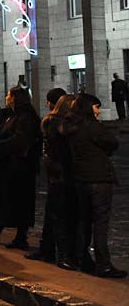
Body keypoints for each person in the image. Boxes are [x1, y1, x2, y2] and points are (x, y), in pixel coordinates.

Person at [61, 94, 126, 277]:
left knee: (85, 222)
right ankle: (103, 264)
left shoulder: (71, 127)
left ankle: (82, 259)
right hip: (99, 179)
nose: (98, 110)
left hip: (81, 179)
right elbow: (112, 142)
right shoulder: (93, 126)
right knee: (100, 223)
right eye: (96, 107)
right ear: (89, 108)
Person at [0, 86, 41, 251]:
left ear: (15, 98)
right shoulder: (5, 114)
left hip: (20, 168)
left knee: (21, 201)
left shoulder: (27, 117)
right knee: (1, 198)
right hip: (3, 165)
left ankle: (21, 236)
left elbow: (20, 140)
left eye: (9, 95)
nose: (6, 97)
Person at [26, 89, 77, 268]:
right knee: (60, 215)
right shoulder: (57, 124)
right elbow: (55, 152)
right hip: (61, 176)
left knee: (53, 213)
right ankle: (61, 254)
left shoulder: (59, 123)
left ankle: (46, 249)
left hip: (60, 176)